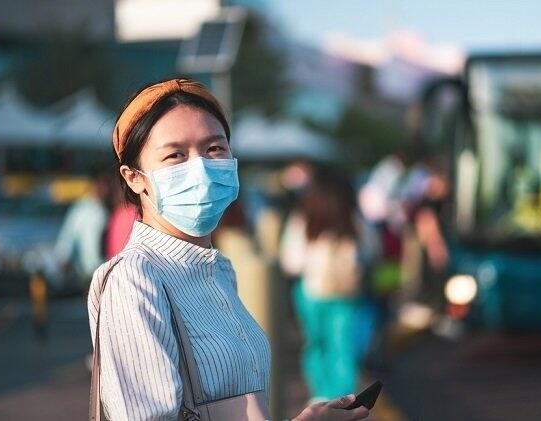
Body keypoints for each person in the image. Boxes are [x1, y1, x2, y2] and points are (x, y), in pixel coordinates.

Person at [87, 78, 370, 421]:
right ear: (134, 178)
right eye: (175, 155)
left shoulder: (219, 270)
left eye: (215, 149)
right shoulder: (134, 279)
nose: (201, 168)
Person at [280, 170, 378, 403]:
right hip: (346, 294)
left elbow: (291, 261)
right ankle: (343, 397)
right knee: (343, 346)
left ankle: (320, 394)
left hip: (310, 292)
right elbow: (372, 251)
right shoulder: (352, 219)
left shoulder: (304, 218)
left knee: (316, 344)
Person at [54, 173, 111, 290]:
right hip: (88, 272)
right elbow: (68, 237)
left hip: (106, 271)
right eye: (102, 185)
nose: (105, 190)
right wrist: (64, 259)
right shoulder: (81, 209)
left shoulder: (106, 208)